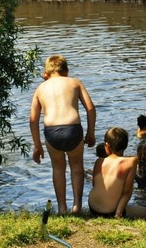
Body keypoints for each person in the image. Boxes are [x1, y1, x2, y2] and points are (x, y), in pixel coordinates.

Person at [29, 55, 96, 215]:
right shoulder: (74, 82)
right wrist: (90, 133)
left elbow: (33, 120)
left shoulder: (40, 88)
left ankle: (61, 208)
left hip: (52, 132)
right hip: (73, 129)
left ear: (46, 73)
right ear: (66, 70)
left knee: (58, 168)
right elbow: (91, 109)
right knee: (77, 167)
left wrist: (37, 146)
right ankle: (77, 207)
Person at [88, 127, 146, 219]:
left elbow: (95, 185)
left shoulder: (99, 161)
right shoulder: (131, 161)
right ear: (125, 145)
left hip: (93, 207)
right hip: (109, 211)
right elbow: (127, 192)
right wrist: (118, 214)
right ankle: (118, 212)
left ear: (107, 146)